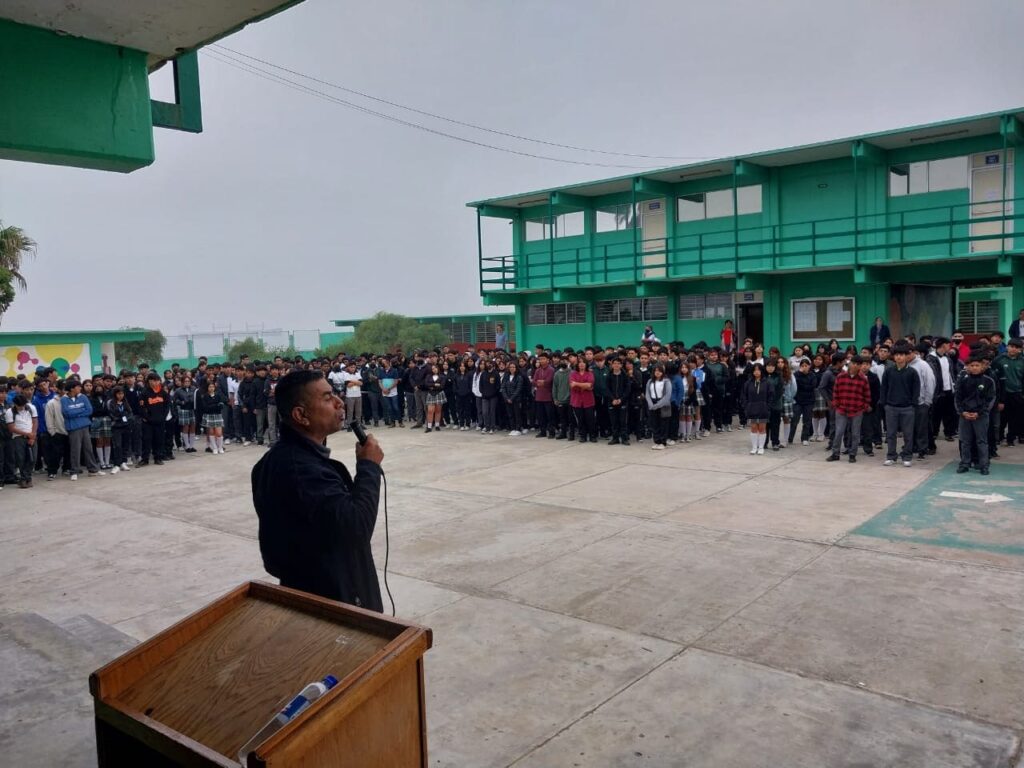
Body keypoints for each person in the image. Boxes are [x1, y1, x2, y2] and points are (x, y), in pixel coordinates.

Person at [252, 369, 385, 611]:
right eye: (327, 398)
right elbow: (356, 528)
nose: (339, 402)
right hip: (333, 602)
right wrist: (369, 467)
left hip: (317, 591)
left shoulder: (278, 461)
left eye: (334, 394)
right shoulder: (302, 472)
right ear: (301, 415)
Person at [879, 342, 920, 467]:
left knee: (908, 434)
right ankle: (891, 456)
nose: (899, 357)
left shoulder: (912, 372)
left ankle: (907, 456)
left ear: (906, 356)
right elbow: (883, 388)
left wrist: (913, 404)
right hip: (891, 407)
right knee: (891, 434)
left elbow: (916, 389)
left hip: (907, 408)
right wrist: (885, 403)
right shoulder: (889, 371)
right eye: (896, 355)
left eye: (901, 355)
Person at [955, 355, 997, 475]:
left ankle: (983, 465)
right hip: (965, 416)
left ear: (983, 367)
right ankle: (965, 463)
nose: (974, 368)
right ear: (968, 367)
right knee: (965, 441)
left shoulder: (988, 381)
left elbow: (990, 399)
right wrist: (962, 412)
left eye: (977, 365)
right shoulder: (963, 380)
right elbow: (958, 398)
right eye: (972, 365)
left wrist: (979, 413)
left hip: (981, 416)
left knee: (981, 441)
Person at [828, 356, 871, 463]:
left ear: (861, 366)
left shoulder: (863, 379)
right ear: (850, 363)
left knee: (855, 434)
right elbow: (835, 392)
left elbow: (867, 396)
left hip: (856, 410)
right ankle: (835, 453)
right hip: (841, 410)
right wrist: (836, 404)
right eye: (854, 363)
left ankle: (852, 454)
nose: (855, 365)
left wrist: (864, 406)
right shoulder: (841, 376)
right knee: (839, 432)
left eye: (858, 364)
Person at [62, 379, 104, 480]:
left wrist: (76, 411)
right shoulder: (64, 399)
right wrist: (81, 411)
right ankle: (74, 471)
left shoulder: (83, 397)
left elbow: (89, 410)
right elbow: (67, 413)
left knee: (88, 448)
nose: (80, 388)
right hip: (74, 428)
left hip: (85, 426)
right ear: (72, 389)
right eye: (78, 387)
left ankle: (93, 469)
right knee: (75, 450)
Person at [991, 338, 1024, 447]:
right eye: (1012, 346)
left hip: (1017, 393)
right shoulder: (999, 359)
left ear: (1020, 349)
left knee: (1015, 417)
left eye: (1017, 348)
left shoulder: (1022, 360)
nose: (1014, 349)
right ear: (1007, 347)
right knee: (1002, 417)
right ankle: (999, 437)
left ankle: (1011, 438)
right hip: (1003, 394)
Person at [4, 394, 37, 488]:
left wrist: (32, 436)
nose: (22, 407)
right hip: (18, 437)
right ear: (15, 404)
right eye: (19, 406)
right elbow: (11, 428)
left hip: (31, 435)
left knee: (32, 458)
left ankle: (26, 478)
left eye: (23, 405)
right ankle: (25, 478)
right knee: (21, 459)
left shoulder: (31, 408)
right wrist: (27, 434)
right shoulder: (10, 412)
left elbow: (35, 421)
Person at [741, 363, 771, 455]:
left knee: (762, 428)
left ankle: (761, 447)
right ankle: (754, 447)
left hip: (763, 408)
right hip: (752, 408)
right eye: (755, 370)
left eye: (758, 370)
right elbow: (743, 395)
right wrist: (747, 406)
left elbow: (771, 396)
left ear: (762, 371)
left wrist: (767, 406)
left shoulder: (767, 382)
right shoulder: (748, 383)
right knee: (753, 428)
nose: (757, 372)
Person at [569, 359, 597, 443]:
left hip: (588, 400)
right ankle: (582, 436)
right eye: (579, 363)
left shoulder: (590, 374)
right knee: (580, 419)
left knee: (590, 419)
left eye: (583, 363)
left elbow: (590, 385)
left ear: (586, 364)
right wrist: (585, 386)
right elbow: (572, 385)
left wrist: (577, 384)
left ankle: (592, 436)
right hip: (576, 400)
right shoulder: (573, 374)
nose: (581, 364)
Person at [107, 386, 134, 472]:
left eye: (122, 393)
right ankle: (117, 464)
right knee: (117, 445)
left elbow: (130, 413)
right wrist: (120, 417)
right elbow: (111, 414)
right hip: (116, 427)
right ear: (115, 394)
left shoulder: (125, 402)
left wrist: (126, 417)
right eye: (118, 394)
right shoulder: (111, 402)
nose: (120, 395)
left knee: (125, 444)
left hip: (126, 426)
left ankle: (123, 462)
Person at [645, 365, 672, 450]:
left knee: (663, 424)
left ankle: (663, 442)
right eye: (655, 371)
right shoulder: (650, 381)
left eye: (659, 371)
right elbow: (647, 394)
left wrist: (658, 405)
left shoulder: (666, 381)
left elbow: (667, 395)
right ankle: (657, 441)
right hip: (652, 404)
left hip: (663, 404)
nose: (657, 372)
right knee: (654, 424)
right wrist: (650, 404)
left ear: (662, 372)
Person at [423, 363, 447, 433]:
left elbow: (442, 386)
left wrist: (432, 387)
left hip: (439, 394)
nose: (434, 369)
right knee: (430, 411)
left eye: (435, 368)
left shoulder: (442, 376)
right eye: (433, 369)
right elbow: (426, 384)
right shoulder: (428, 376)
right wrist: (434, 384)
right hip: (430, 394)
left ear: (438, 368)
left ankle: (437, 425)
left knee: (438, 410)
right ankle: (429, 426)